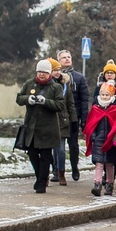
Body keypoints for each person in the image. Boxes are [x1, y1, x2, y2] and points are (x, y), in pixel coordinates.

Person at [16, 60, 65, 193]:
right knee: (32, 153)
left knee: (45, 156)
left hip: (48, 128)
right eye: (39, 71)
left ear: (49, 73)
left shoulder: (56, 87)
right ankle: (40, 178)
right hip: (31, 127)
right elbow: (19, 98)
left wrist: (45, 101)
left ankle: (42, 183)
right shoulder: (29, 83)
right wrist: (28, 99)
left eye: (44, 72)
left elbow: (60, 105)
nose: (42, 74)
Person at [58, 49, 89, 181]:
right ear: (58, 61)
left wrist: (84, 119)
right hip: (58, 118)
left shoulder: (79, 77)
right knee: (58, 146)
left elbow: (84, 99)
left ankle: (74, 168)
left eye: (68, 57)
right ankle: (58, 171)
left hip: (73, 117)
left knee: (73, 145)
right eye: (63, 57)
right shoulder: (55, 77)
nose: (67, 59)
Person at [84, 82, 116, 196]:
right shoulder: (95, 109)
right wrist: (93, 136)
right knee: (99, 163)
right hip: (99, 140)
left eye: (107, 95)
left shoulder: (115, 109)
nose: (104, 97)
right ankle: (97, 184)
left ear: (111, 96)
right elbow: (91, 124)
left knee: (110, 163)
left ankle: (109, 184)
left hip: (111, 141)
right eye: (103, 94)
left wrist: (115, 138)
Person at [48, 57, 77, 186]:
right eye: (55, 70)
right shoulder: (45, 86)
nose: (58, 72)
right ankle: (50, 172)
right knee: (48, 150)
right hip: (48, 121)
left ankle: (61, 173)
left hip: (62, 121)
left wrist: (74, 119)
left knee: (60, 150)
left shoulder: (65, 86)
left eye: (59, 70)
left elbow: (70, 104)